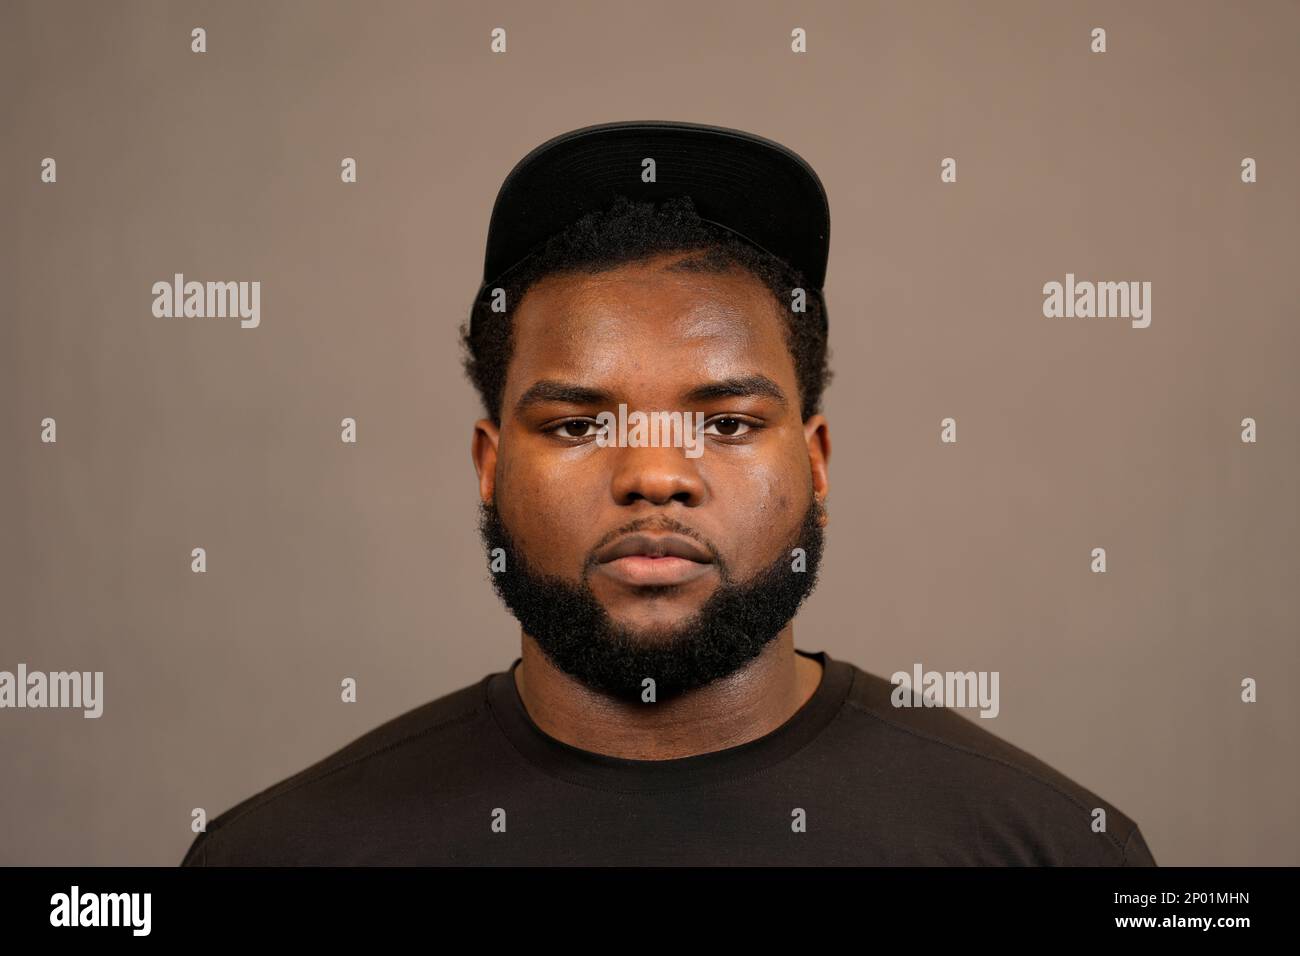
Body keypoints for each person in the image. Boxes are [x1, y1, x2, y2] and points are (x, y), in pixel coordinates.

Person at [181, 120, 1156, 866]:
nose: (653, 473)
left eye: (725, 423)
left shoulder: (1052, 850)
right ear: (490, 463)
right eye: (578, 423)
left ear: (814, 462)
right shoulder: (284, 854)